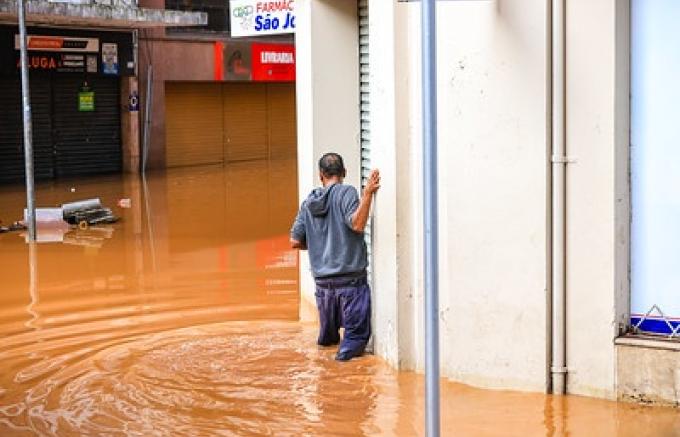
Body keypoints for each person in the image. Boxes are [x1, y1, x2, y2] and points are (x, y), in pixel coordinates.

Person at [290, 153, 381, 361]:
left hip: (323, 287)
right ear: (344, 173)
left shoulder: (308, 203)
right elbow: (357, 224)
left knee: (328, 344)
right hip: (351, 285)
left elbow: (294, 241)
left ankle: (325, 382)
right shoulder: (346, 192)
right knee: (352, 346)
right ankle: (340, 383)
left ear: (321, 175)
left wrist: (317, 245)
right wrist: (367, 194)